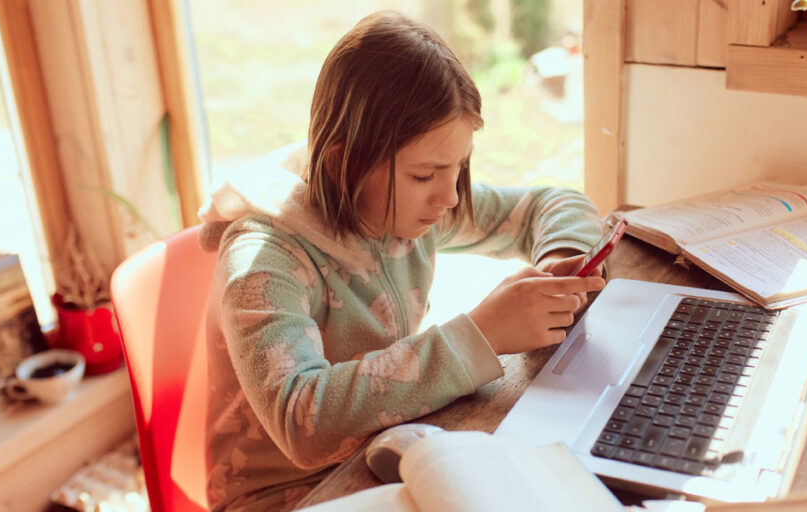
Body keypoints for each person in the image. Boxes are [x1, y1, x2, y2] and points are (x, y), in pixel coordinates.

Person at [198, 10, 606, 511]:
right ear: (344, 163)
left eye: (458, 168)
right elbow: (302, 420)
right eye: (425, 175)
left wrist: (558, 262)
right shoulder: (263, 260)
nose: (451, 198)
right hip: (285, 497)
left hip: (382, 451)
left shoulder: (403, 207)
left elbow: (553, 205)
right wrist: (479, 335)